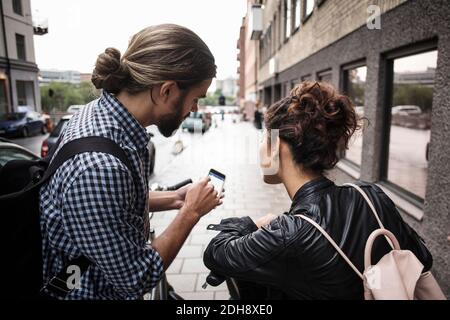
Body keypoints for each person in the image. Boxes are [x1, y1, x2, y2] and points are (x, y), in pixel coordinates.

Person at [40, 24, 223, 300]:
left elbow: (114, 204)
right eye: (195, 99)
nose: (194, 109)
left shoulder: (104, 117)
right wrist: (190, 213)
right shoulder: (98, 167)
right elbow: (137, 278)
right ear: (167, 90)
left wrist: (175, 198)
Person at [203, 81, 432, 300]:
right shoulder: (371, 196)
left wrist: (256, 224)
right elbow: (422, 258)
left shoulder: (288, 234)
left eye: (264, 138)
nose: (261, 147)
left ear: (276, 147)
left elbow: (215, 253)